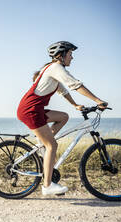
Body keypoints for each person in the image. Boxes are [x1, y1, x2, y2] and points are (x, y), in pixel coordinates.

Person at [17, 41, 108, 196]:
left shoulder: (51, 69)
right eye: (70, 54)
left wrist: (75, 105)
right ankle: (47, 186)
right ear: (61, 55)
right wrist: (97, 100)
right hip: (31, 110)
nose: (72, 58)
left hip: (34, 109)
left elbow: (63, 90)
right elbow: (75, 84)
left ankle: (43, 144)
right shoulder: (55, 68)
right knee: (52, 145)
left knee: (63, 117)